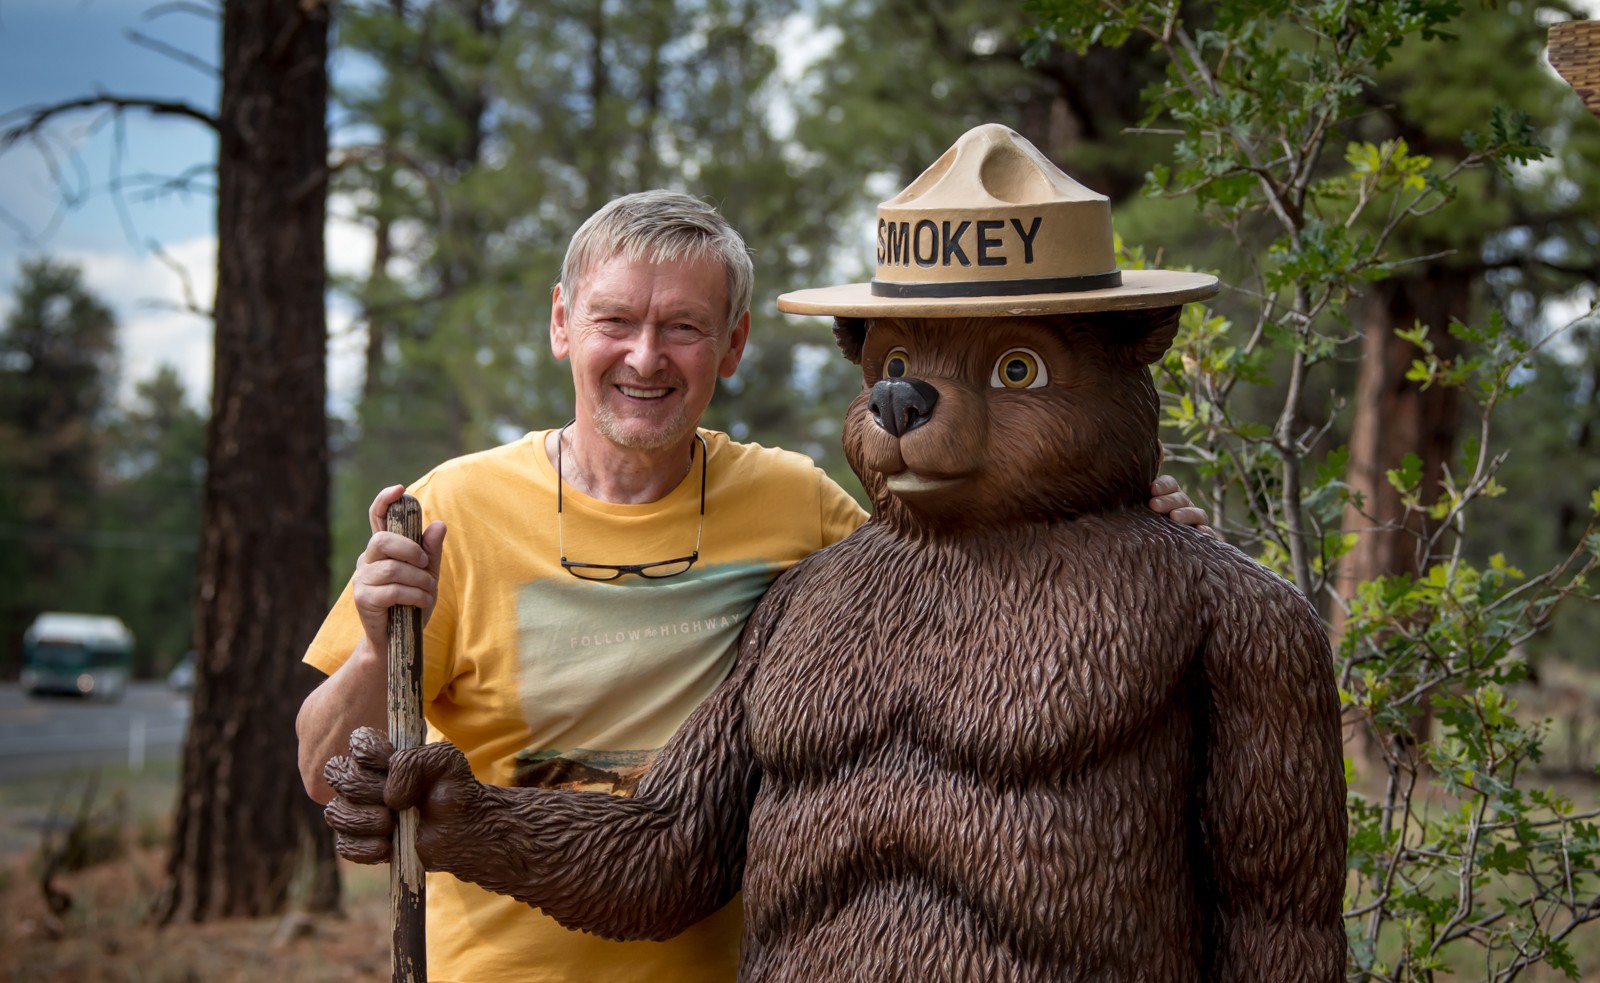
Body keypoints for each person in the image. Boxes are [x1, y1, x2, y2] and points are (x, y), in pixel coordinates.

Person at [296, 189, 1211, 983]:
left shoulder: (795, 502)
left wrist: (1113, 525)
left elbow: (964, 580)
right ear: (562, 323)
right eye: (616, 320)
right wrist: (379, 647)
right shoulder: (453, 507)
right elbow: (320, 769)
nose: (646, 357)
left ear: (732, 345)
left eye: (684, 327)